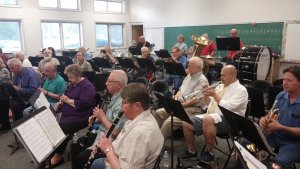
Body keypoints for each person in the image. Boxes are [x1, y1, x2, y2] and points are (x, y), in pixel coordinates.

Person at [180, 65, 248, 162]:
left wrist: (214, 94)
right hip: (212, 116)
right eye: (221, 75)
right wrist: (206, 95)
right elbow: (208, 104)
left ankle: (209, 153)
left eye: (223, 75)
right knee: (186, 121)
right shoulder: (220, 86)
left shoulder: (241, 90)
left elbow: (229, 107)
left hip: (231, 121)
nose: (221, 78)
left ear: (233, 76)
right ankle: (191, 151)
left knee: (208, 119)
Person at [90, 83, 164, 169]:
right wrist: (108, 144)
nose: (121, 107)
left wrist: (108, 149)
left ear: (137, 106)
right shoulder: (139, 119)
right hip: (120, 159)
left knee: (94, 163)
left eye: (124, 103)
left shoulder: (140, 132)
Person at [74, 70, 128, 169]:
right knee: (78, 144)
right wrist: (98, 119)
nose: (106, 83)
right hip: (101, 133)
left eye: (109, 81)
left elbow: (115, 132)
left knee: (80, 159)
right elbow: (111, 120)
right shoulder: (114, 97)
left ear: (119, 85)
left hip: (110, 141)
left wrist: (102, 117)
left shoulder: (124, 103)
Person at [48, 64, 97, 168]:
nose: (69, 80)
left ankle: (58, 156)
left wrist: (68, 100)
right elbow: (66, 96)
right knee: (52, 122)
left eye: (71, 77)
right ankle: (54, 147)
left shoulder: (87, 87)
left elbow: (83, 104)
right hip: (69, 111)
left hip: (82, 115)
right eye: (68, 77)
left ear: (78, 75)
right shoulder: (73, 84)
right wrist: (61, 102)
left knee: (63, 127)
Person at [253, 66, 300, 169]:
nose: (284, 83)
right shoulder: (281, 95)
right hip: (275, 136)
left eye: (289, 80)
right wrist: (264, 119)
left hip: (294, 143)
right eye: (284, 79)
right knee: (247, 143)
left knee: (279, 162)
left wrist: (281, 127)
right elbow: (271, 113)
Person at [154, 57, 208, 138]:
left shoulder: (202, 80)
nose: (188, 68)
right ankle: (155, 136)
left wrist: (179, 106)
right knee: (158, 113)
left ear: (199, 68)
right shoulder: (189, 76)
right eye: (188, 65)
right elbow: (180, 89)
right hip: (181, 104)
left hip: (193, 108)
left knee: (169, 122)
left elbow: (195, 100)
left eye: (190, 66)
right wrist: (175, 97)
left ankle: (158, 143)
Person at [0, 58, 11, 132]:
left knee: (3, 108)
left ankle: (6, 125)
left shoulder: (4, 70)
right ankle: (3, 123)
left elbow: (2, 82)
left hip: (5, 94)